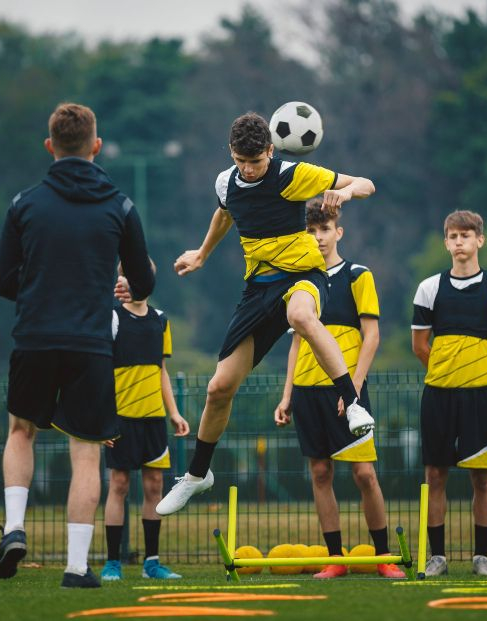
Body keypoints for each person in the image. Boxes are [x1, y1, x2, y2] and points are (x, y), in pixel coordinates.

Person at [151, 112, 376, 516]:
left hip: (303, 275)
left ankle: (353, 403)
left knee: (301, 318)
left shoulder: (293, 175)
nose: (248, 169)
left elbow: (366, 183)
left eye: (255, 161)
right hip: (259, 288)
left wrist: (345, 193)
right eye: (240, 161)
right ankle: (198, 474)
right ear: (231, 154)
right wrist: (202, 254)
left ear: (271, 151)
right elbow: (225, 213)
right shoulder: (226, 181)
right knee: (219, 388)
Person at [0, 102, 155, 588]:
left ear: (50, 147)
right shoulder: (120, 206)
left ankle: (15, 526)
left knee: (21, 430)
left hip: (35, 336)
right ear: (96, 147)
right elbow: (141, 280)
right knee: (85, 451)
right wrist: (125, 285)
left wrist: (43, 287)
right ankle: (77, 566)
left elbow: (3, 279)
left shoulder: (23, 204)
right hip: (90, 343)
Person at [274, 199, 404, 579]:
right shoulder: (301, 284)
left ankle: (383, 557)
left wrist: (355, 389)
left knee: (364, 473)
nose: (318, 237)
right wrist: (286, 396)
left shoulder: (358, 275)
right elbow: (297, 343)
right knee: (320, 473)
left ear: (339, 232)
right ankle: (336, 559)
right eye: (311, 231)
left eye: (324, 229)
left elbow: (373, 335)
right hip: (307, 389)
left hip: (348, 392)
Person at [410, 210, 487, 577]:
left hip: (481, 397)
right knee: (435, 475)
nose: (459, 242)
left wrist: (480, 374)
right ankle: (437, 557)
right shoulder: (429, 288)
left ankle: (481, 557)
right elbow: (420, 346)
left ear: (479, 241)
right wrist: (448, 371)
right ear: (446, 243)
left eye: (466, 236)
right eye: (453, 236)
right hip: (438, 395)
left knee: (483, 477)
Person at [101, 265, 190, 581]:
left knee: (154, 486)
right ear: (120, 279)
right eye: (129, 273)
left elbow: (162, 371)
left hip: (153, 420)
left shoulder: (160, 320)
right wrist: (103, 419)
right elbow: (100, 371)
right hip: (121, 419)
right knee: (120, 485)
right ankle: (112, 562)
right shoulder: (111, 318)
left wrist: (174, 413)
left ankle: (152, 563)